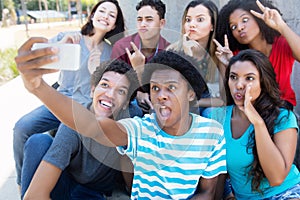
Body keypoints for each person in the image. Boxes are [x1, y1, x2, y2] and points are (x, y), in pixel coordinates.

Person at [16, 47, 227, 199]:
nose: (161, 95)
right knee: (37, 141)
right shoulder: (141, 129)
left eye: (171, 87)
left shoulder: (211, 133)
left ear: (190, 93)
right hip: (78, 185)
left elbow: (208, 192)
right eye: (154, 88)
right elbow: (91, 125)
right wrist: (38, 88)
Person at [13, 0, 125, 193]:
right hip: (59, 97)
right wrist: (60, 46)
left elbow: (105, 86)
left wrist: (94, 70)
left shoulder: (109, 52)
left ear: (114, 24)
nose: (105, 16)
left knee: (60, 140)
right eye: (102, 11)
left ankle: (51, 184)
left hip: (83, 108)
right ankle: (22, 183)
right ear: (93, 14)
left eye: (111, 15)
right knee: (22, 128)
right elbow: (39, 57)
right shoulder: (70, 37)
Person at [21, 58, 139, 199]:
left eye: (121, 91)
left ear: (126, 103)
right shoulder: (73, 123)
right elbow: (35, 195)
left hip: (95, 192)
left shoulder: (131, 120)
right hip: (67, 182)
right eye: (105, 85)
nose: (110, 95)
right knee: (38, 141)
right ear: (92, 90)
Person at [207, 49, 300, 199]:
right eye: (233, 77)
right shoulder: (218, 117)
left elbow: (277, 178)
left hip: (285, 193)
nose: (239, 85)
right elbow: (218, 172)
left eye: (249, 78)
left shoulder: (283, 117)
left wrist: (257, 122)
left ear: (263, 82)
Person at [214, 0, 300, 110]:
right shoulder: (234, 55)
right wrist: (230, 64)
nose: (240, 28)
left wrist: (281, 26)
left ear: (258, 18)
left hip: (280, 106)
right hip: (247, 107)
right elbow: (228, 96)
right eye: (233, 27)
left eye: (244, 20)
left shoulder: (281, 44)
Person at [111, 0, 170, 113]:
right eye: (139, 20)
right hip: (128, 102)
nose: (143, 24)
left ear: (161, 23)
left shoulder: (168, 50)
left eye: (149, 20)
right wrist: (137, 93)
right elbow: (115, 84)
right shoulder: (122, 47)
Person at [167, 0, 224, 114]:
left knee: (211, 113)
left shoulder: (219, 55)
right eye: (188, 20)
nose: (192, 24)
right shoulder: (172, 51)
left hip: (205, 105)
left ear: (212, 25)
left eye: (200, 19)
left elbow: (223, 100)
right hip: (177, 103)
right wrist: (187, 57)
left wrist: (198, 102)